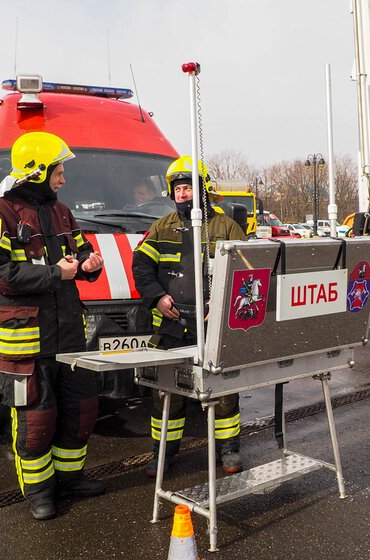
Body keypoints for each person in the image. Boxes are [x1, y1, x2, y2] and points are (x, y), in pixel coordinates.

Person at [0, 131, 106, 521]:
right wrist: (55, 274)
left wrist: (88, 266)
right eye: (58, 171)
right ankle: (40, 493)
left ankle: (71, 479)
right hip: (26, 344)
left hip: (70, 338)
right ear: (36, 171)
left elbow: (79, 253)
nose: (63, 179)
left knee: (81, 411)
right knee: (36, 420)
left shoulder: (62, 212)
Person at [133, 155, 248, 478]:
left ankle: (229, 450)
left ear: (203, 189)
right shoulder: (162, 227)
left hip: (215, 327)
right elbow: (141, 265)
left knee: (223, 391)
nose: (183, 194)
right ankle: (163, 455)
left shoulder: (227, 227)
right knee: (166, 393)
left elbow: (249, 273)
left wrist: (222, 303)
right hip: (170, 326)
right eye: (178, 189)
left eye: (188, 188)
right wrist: (157, 297)